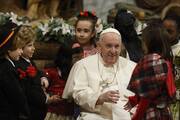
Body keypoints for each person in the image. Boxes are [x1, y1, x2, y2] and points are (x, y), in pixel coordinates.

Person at [64, 28, 137, 120]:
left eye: (117, 46)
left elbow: (140, 95)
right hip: (94, 115)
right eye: (109, 46)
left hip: (126, 116)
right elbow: (78, 93)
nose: (113, 51)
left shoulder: (132, 67)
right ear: (99, 46)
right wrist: (99, 98)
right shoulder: (83, 65)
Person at [124, 22, 176, 120]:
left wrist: (137, 117)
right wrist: (135, 100)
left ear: (149, 42)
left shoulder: (152, 61)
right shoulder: (163, 60)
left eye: (143, 40)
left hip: (152, 113)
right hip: (164, 111)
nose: (142, 43)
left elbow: (147, 96)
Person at [14, 25, 56, 120]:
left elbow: (38, 72)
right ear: (20, 46)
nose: (33, 48)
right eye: (29, 45)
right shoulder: (20, 65)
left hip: (38, 110)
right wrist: (46, 99)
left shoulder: (29, 61)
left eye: (33, 44)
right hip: (31, 111)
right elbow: (29, 90)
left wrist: (43, 77)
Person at [0, 20, 30, 120]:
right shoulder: (6, 68)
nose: (21, 51)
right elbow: (17, 96)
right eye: (19, 48)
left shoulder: (9, 65)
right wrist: (26, 112)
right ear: (9, 49)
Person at [43, 44, 76, 120]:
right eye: (75, 58)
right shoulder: (52, 71)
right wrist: (49, 98)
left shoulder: (75, 71)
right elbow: (41, 88)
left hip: (69, 112)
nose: (78, 60)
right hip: (54, 113)